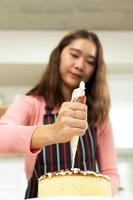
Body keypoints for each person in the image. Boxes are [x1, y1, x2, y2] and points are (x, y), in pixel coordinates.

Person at [0, 29, 120, 198]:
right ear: (58, 55)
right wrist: (53, 132)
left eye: (90, 61)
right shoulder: (31, 105)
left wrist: (99, 194)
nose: (80, 65)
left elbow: (111, 173)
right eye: (74, 54)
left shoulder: (98, 116)